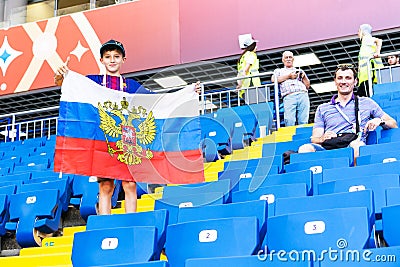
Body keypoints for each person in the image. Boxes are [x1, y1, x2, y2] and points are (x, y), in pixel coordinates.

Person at [55, 39, 200, 215]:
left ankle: (131, 221)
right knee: (106, 185)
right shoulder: (92, 81)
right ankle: (104, 224)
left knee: (129, 184)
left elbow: (155, 102)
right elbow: (67, 85)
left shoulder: (131, 85)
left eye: (117, 56)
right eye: (108, 57)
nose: (112, 60)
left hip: (127, 139)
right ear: (101, 60)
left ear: (124, 59)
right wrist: (62, 76)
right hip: (103, 139)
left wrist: (186, 93)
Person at [298, 64, 397, 158]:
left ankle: (354, 174)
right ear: (335, 81)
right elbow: (315, 138)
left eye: (348, 78)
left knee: (357, 146)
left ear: (355, 82)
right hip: (329, 148)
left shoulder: (367, 102)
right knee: (304, 149)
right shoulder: (322, 108)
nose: (343, 81)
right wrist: (322, 138)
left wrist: (379, 121)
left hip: (354, 144)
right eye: (340, 78)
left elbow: (393, 123)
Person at [271, 50, 311, 126]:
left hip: (303, 94)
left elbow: (307, 85)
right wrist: (289, 76)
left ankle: (303, 135)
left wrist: (304, 77)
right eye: (286, 57)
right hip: (289, 96)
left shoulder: (299, 70)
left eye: (290, 57)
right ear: (283, 60)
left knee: (303, 119)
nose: (288, 59)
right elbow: (273, 79)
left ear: (293, 59)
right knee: (289, 120)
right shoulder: (279, 71)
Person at [357, 24, 384, 97]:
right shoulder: (365, 42)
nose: (358, 33)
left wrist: (377, 52)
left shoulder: (366, 38)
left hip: (368, 77)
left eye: (359, 31)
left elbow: (379, 41)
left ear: (363, 31)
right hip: (367, 77)